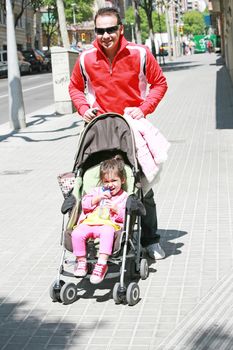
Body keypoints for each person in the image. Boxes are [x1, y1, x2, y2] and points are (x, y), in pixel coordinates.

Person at [69, 7, 168, 260]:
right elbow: (75, 88)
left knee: (141, 186)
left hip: (130, 129)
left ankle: (151, 240)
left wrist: (143, 109)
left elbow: (159, 84)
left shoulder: (140, 53)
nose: (105, 35)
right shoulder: (86, 58)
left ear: (120, 29)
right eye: (100, 30)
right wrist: (83, 109)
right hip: (100, 130)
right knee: (98, 185)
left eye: (111, 29)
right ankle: (100, 234)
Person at [72, 156, 128, 284]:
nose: (110, 185)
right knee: (76, 233)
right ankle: (81, 261)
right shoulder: (96, 191)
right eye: (106, 181)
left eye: (114, 180)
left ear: (122, 180)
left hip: (108, 224)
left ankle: (102, 264)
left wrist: (116, 209)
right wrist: (96, 198)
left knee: (107, 232)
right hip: (90, 222)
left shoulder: (124, 197)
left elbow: (126, 217)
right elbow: (85, 204)